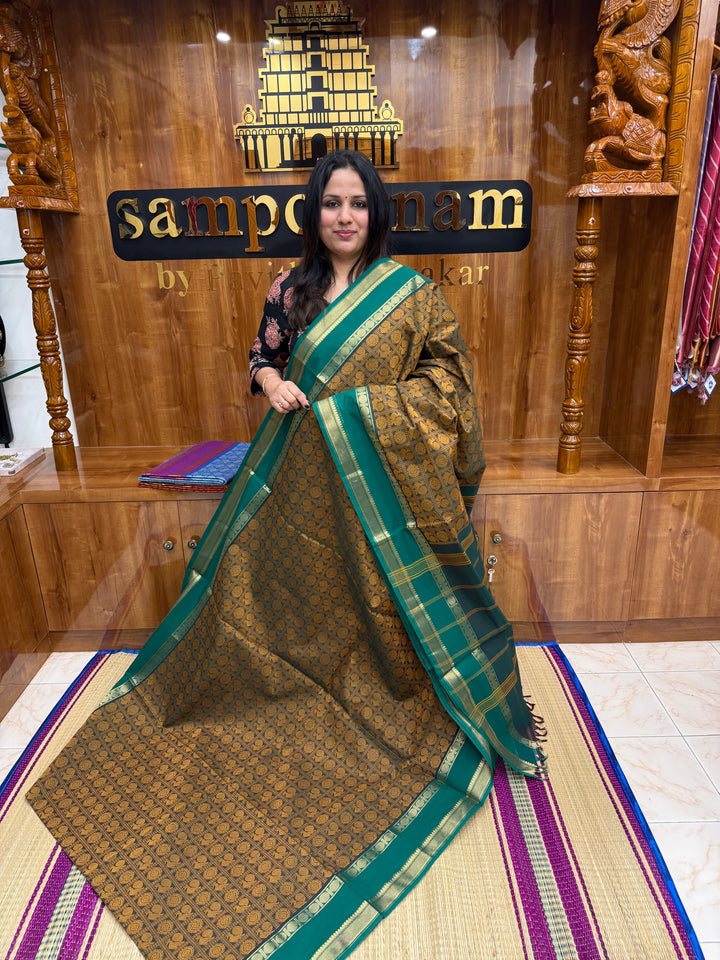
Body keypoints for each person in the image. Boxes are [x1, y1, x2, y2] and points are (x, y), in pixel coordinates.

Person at [27, 150, 545, 960]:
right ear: (316, 213)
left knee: (372, 603)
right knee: (273, 595)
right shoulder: (288, 290)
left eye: (358, 204)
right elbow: (262, 357)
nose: (345, 216)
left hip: (378, 494)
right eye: (332, 203)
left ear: (377, 213)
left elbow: (449, 390)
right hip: (293, 475)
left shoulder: (416, 297)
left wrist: (363, 410)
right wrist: (269, 385)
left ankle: (384, 692)